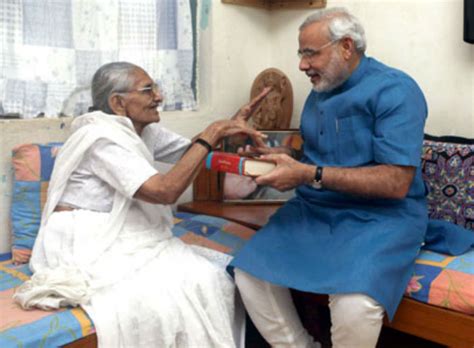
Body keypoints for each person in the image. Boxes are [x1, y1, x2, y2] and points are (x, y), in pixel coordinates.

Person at [14, 61, 269, 348]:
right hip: (83, 239)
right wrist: (212, 133)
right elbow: (165, 191)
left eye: (155, 88)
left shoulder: (140, 130)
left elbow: (192, 153)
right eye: (148, 90)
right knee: (179, 287)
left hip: (119, 233)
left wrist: (227, 127)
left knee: (206, 277)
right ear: (118, 102)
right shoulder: (100, 138)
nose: (158, 97)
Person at [231, 8, 430, 348]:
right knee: (249, 272)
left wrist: (309, 174)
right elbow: (317, 157)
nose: (302, 65)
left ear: (346, 47)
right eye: (300, 54)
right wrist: (278, 158)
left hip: (380, 217)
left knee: (354, 303)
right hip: (316, 210)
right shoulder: (321, 89)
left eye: (310, 53)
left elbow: (396, 182)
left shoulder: (397, 90)